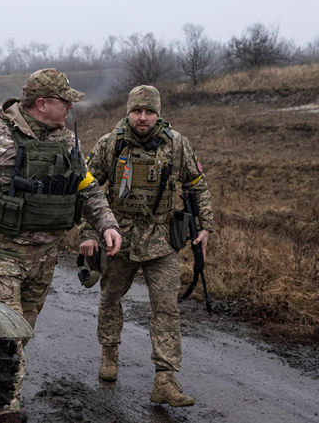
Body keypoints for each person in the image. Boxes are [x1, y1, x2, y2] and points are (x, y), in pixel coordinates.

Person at [0, 68, 122, 422]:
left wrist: (107, 224)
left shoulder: (65, 139)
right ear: (42, 104)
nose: (71, 107)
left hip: (46, 256)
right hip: (2, 254)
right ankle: (5, 408)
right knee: (4, 335)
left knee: (21, 333)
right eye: (65, 101)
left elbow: (87, 187)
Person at [79, 85, 213, 407]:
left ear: (158, 114)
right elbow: (87, 188)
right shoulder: (110, 144)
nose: (143, 117)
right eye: (137, 111)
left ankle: (165, 380)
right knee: (110, 299)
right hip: (118, 239)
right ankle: (109, 355)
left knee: (166, 308)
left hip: (162, 241)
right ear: (128, 112)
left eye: (149, 111)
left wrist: (206, 226)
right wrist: (88, 232)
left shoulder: (177, 144)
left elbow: (197, 185)